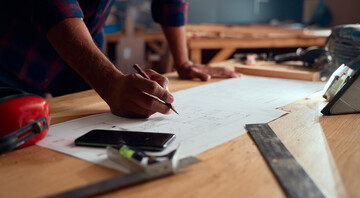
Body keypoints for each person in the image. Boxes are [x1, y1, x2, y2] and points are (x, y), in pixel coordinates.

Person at [0, 0, 241, 118]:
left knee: (94, 124)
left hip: (87, 39)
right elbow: (54, 4)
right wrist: (109, 81)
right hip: (15, 48)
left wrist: (183, 62)